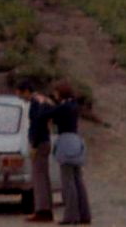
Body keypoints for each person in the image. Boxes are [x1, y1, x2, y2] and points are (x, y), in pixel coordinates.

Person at [51, 81, 90, 225]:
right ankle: (84, 213)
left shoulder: (63, 107)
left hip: (66, 142)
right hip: (75, 140)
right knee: (78, 180)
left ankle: (71, 215)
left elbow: (50, 114)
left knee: (68, 182)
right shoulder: (74, 106)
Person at [17, 79, 55, 222]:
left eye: (21, 94)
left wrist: (33, 144)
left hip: (39, 142)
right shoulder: (43, 100)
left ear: (26, 91)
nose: (21, 97)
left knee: (38, 178)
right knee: (44, 177)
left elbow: (37, 123)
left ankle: (42, 210)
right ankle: (46, 207)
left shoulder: (35, 102)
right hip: (45, 140)